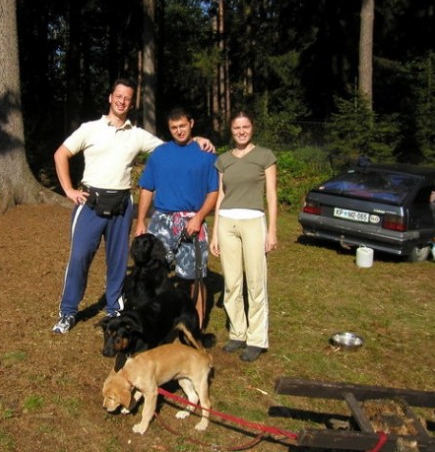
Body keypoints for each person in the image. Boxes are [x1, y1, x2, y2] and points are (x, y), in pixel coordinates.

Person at [52, 78, 214, 334]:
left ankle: (114, 307)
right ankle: (68, 312)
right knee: (80, 256)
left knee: (117, 261)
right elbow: (60, 154)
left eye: (127, 98)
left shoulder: (137, 135)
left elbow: (171, 147)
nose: (122, 101)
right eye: (118, 95)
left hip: (122, 204)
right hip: (91, 201)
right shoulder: (90, 128)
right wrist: (70, 190)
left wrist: (198, 139)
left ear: (131, 102)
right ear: (110, 97)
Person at [135, 107, 219, 329]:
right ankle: (153, 323)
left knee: (195, 278)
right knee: (152, 273)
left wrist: (199, 217)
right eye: (174, 128)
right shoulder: (160, 154)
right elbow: (146, 188)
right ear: (169, 129)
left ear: (191, 123)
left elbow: (213, 192)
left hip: (193, 220)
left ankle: (196, 326)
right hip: (161, 221)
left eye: (183, 126)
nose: (179, 131)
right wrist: (141, 221)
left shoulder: (207, 154)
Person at [209, 111, 278, 362]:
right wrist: (215, 232)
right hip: (227, 222)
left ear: (252, 128)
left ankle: (256, 338)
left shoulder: (264, 156)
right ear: (231, 130)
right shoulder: (224, 160)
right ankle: (237, 333)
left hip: (253, 222)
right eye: (237, 127)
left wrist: (271, 230)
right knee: (232, 282)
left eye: (245, 126)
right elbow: (221, 196)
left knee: (256, 283)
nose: (241, 131)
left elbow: (271, 194)